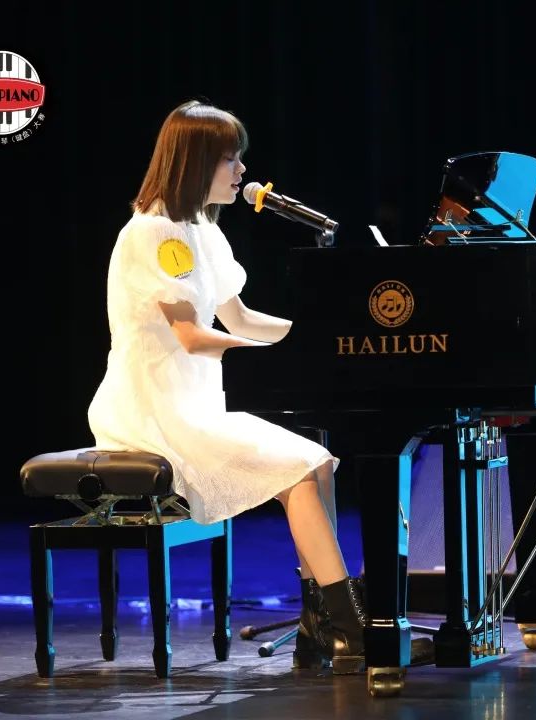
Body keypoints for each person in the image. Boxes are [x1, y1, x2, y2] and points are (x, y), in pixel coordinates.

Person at [87, 100, 365, 674]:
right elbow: (192, 336)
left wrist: (317, 337)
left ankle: (318, 625)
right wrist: (282, 353)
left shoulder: (202, 230)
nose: (242, 171)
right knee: (298, 471)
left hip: (194, 406)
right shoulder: (153, 232)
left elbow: (239, 319)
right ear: (194, 162)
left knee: (318, 464)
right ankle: (350, 626)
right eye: (230, 159)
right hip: (151, 411)